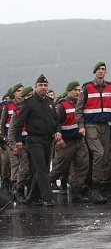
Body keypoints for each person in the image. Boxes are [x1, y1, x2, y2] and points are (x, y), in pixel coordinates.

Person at [76, 62, 111, 202]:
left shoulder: (110, 87)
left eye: (103, 69)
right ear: (94, 72)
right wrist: (81, 125)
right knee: (99, 153)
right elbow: (79, 109)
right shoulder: (87, 87)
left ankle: (96, 186)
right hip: (91, 125)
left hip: (105, 125)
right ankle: (95, 188)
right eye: (98, 69)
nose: (101, 71)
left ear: (106, 72)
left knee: (104, 156)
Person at [12, 74, 61, 207]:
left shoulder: (50, 102)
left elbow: (56, 121)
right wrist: (17, 140)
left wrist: (58, 131)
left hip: (48, 139)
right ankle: (48, 198)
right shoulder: (29, 102)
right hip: (34, 140)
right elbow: (18, 122)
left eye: (45, 85)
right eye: (40, 85)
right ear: (35, 87)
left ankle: (32, 197)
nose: (43, 88)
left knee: (42, 168)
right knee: (41, 168)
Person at [49, 81, 92, 203]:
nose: (78, 92)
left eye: (79, 90)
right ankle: (41, 188)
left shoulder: (80, 104)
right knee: (59, 168)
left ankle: (76, 191)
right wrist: (59, 139)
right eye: (75, 90)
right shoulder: (61, 105)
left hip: (79, 139)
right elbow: (54, 123)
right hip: (66, 142)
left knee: (83, 166)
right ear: (69, 90)